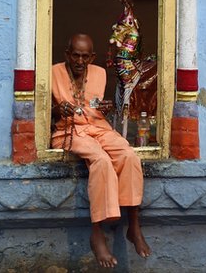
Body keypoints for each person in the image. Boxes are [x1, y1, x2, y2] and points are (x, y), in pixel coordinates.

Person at [52, 33, 151, 268]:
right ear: (67, 54)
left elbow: (98, 108)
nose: (79, 61)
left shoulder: (100, 73)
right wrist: (59, 109)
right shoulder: (53, 72)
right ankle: (96, 233)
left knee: (129, 155)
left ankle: (134, 225)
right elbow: (46, 113)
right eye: (75, 55)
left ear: (92, 57)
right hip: (69, 131)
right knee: (101, 160)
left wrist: (107, 107)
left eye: (85, 56)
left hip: (98, 127)